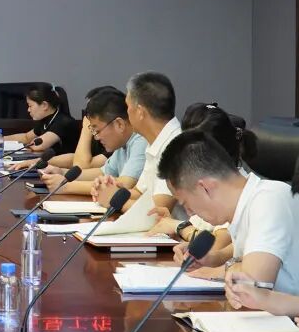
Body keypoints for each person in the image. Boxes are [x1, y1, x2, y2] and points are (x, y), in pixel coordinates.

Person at [158, 130, 299, 295]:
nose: (189, 213)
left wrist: (219, 270)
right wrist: (214, 259)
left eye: (186, 203)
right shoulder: (247, 205)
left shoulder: (269, 200)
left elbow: (255, 281)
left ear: (205, 188)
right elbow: (252, 251)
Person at [148, 102, 257, 239]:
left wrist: (179, 226)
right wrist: (174, 226)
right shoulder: (203, 189)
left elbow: (217, 244)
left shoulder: (233, 191)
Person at [92, 71, 180, 214]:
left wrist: (113, 199)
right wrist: (111, 190)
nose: (126, 112)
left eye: (128, 106)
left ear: (140, 111)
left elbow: (157, 210)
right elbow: (140, 193)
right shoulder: (155, 141)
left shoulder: (177, 146)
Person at [38, 88, 147, 196]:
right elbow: (102, 172)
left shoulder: (141, 140)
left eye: (97, 131)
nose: (96, 137)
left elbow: (124, 185)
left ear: (119, 124)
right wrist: (62, 173)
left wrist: (66, 186)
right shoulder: (122, 143)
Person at [0, 85, 80, 154]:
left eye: (30, 106)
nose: (28, 110)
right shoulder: (46, 120)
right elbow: (26, 137)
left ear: (44, 105)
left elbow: (38, 145)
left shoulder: (63, 122)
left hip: (65, 168)